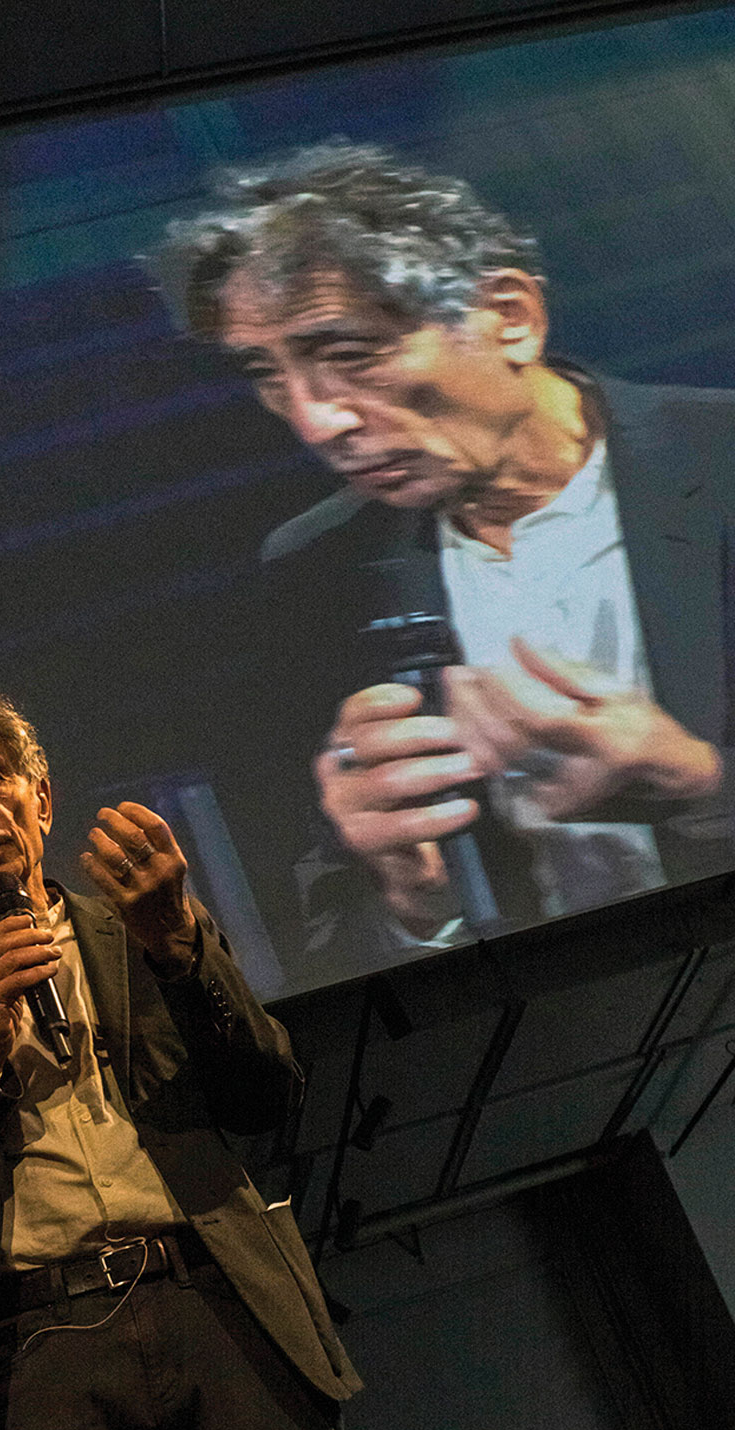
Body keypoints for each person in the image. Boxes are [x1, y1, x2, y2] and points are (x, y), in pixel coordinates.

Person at [157, 141, 735, 978]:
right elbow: (325, 934)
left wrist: (701, 781)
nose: (317, 423)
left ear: (510, 317)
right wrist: (411, 899)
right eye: (268, 373)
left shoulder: (722, 457)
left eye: (350, 355)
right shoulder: (317, 570)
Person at [0, 687, 359, 1430]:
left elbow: (267, 1095)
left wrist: (180, 947)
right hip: (46, 1353)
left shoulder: (149, 925)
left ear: (40, 798)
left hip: (218, 1302)